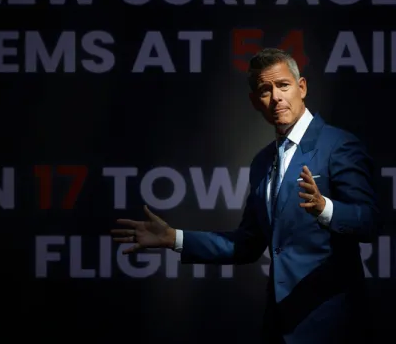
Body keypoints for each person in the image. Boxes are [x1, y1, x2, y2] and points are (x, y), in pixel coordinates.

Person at [111, 48, 380, 343]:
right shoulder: (263, 162)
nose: (276, 96)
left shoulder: (338, 145)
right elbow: (247, 244)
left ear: (301, 87)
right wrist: (174, 238)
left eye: (283, 85)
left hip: (331, 327)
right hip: (279, 327)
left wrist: (325, 209)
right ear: (255, 102)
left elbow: (368, 221)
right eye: (265, 90)